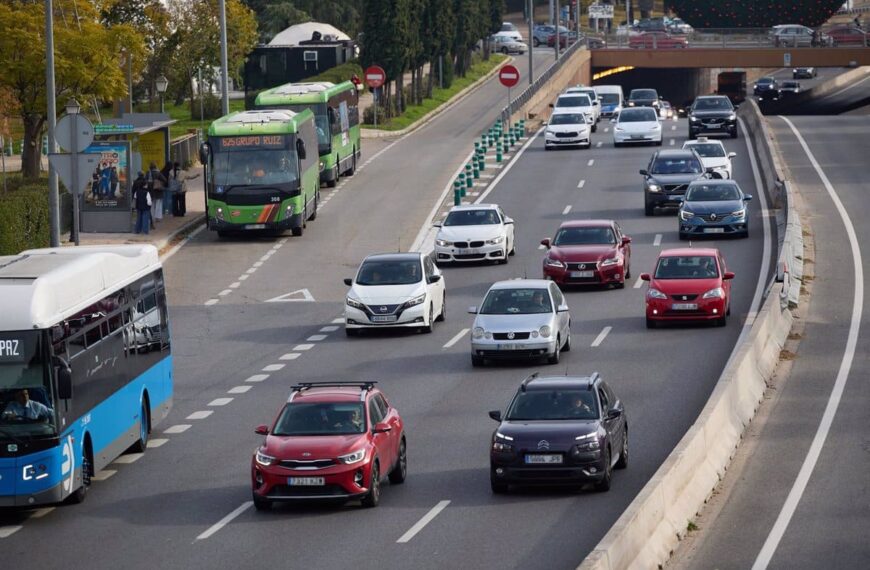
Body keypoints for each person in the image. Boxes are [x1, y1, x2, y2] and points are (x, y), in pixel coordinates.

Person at [146, 161, 167, 228]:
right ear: (155, 167)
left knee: (151, 205)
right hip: (158, 191)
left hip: (150, 191)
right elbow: (165, 180)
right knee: (158, 204)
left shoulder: (148, 173)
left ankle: (152, 217)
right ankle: (158, 217)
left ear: (150, 167)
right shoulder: (158, 173)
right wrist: (159, 183)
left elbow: (145, 181)